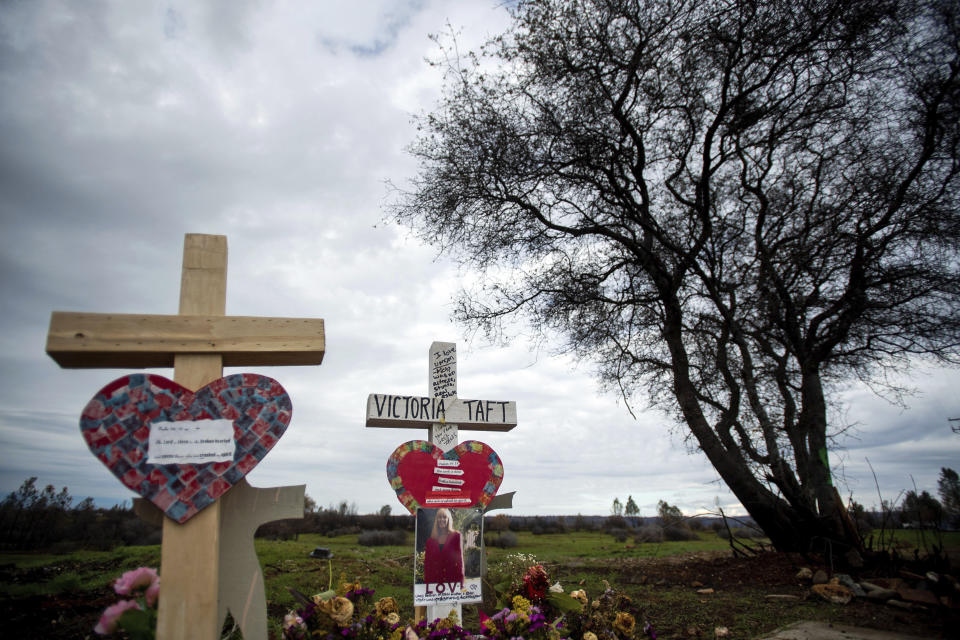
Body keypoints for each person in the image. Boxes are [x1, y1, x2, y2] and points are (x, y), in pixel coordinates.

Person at [423, 508, 464, 585]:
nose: (442, 519)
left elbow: (460, 562)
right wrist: (427, 583)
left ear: (449, 519)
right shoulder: (430, 541)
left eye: (444, 517)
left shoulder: (456, 536)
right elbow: (427, 564)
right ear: (436, 520)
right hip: (434, 581)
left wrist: (461, 583)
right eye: (439, 517)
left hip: (451, 580)